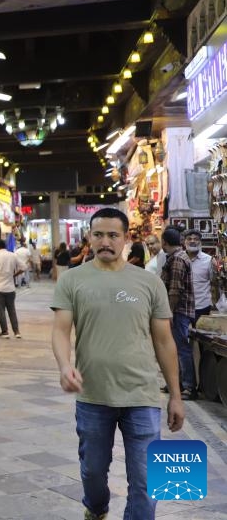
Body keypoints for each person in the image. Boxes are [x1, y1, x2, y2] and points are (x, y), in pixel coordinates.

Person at [50, 207, 184, 520]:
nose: (105, 241)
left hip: (143, 397)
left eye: (113, 235)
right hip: (93, 396)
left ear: (126, 238)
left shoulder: (149, 283)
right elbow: (60, 330)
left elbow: (165, 342)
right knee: (93, 473)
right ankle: (96, 509)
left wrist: (176, 396)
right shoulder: (72, 280)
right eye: (98, 234)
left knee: (148, 481)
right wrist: (63, 365)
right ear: (89, 238)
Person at [160, 228, 196, 400]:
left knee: (181, 349)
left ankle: (189, 386)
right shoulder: (178, 257)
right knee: (174, 348)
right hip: (178, 311)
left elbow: (174, 291)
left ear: (164, 242)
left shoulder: (177, 260)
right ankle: (178, 383)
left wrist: (169, 313)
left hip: (179, 312)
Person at [0, 239, 24, 338]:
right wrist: (14, 275)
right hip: (11, 288)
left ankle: (5, 332)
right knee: (12, 310)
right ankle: (17, 332)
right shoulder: (13, 255)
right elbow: (23, 267)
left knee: (1, 311)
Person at [183, 228, 219, 323]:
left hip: (203, 306)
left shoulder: (208, 260)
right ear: (184, 241)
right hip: (182, 308)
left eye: (196, 239)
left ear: (200, 242)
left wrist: (214, 305)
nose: (192, 241)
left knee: (201, 336)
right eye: (189, 239)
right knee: (183, 336)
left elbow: (214, 283)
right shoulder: (179, 259)